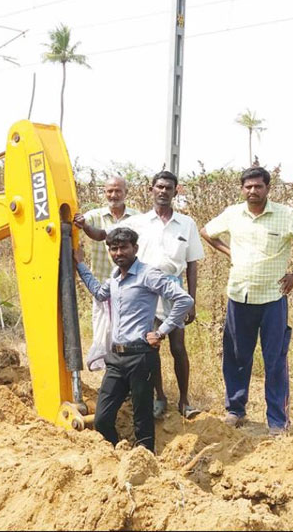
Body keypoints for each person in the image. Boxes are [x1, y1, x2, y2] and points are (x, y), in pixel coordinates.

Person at [200, 166, 293, 436]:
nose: (253, 191)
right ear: (242, 189)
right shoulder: (233, 214)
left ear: (268, 188)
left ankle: (278, 422)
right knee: (236, 356)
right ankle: (235, 410)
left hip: (272, 298)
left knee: (275, 360)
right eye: (248, 187)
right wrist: (229, 252)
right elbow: (207, 232)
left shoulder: (285, 215)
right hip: (239, 296)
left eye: (258, 186)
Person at [75, 227, 194, 452]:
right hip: (116, 358)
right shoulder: (115, 276)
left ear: (135, 249)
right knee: (102, 418)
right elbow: (101, 294)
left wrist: (162, 331)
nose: (118, 253)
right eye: (113, 249)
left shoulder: (147, 274)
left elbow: (184, 299)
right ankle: (117, 454)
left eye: (123, 248)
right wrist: (80, 265)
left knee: (143, 419)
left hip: (140, 356)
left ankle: (145, 462)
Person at [123, 171, 204, 420]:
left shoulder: (187, 224)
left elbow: (192, 264)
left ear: (175, 191)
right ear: (151, 189)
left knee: (178, 347)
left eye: (168, 188)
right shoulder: (138, 223)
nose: (163, 191)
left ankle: (184, 400)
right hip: (145, 289)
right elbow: (124, 254)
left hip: (173, 287)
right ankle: (159, 397)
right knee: (151, 346)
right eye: (159, 186)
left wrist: (191, 300)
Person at [72, 176, 139, 370]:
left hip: (129, 284)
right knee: (103, 331)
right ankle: (110, 374)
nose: (113, 195)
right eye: (109, 191)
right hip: (102, 284)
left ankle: (123, 373)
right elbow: (91, 231)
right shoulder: (93, 216)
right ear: (104, 193)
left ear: (126, 193)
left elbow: (102, 235)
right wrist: (82, 224)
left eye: (118, 191)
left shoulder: (137, 217)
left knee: (125, 332)